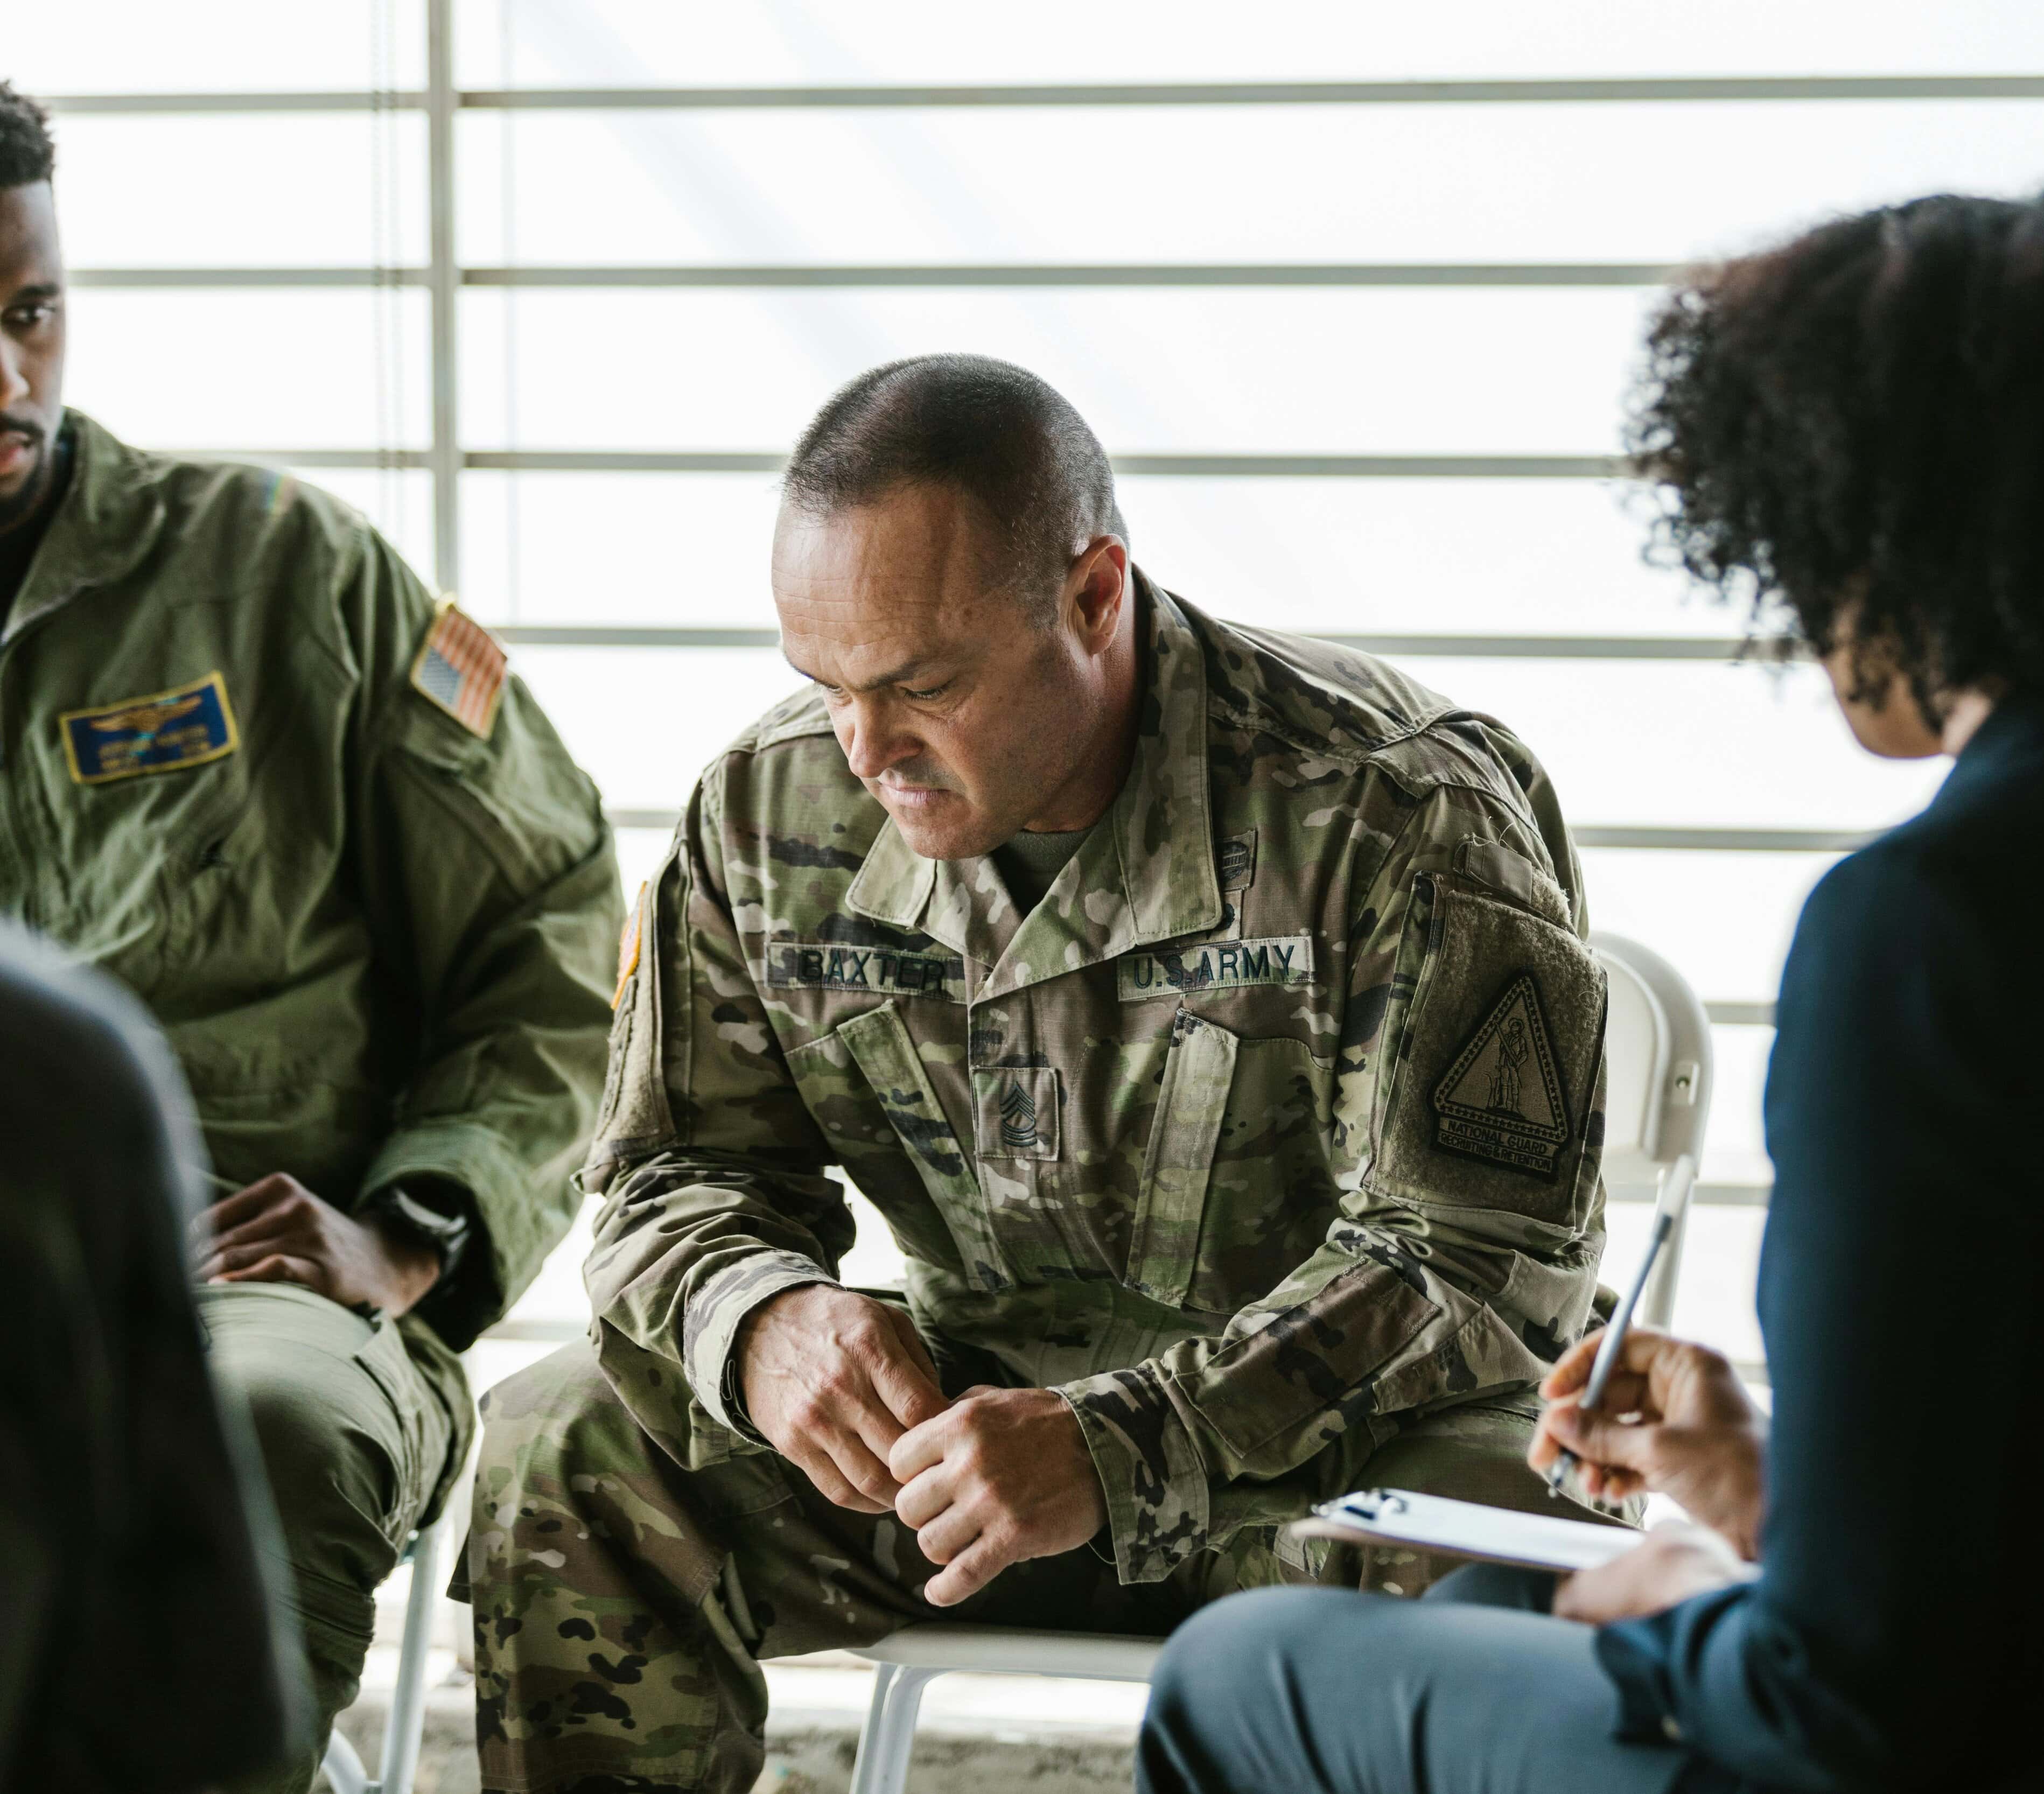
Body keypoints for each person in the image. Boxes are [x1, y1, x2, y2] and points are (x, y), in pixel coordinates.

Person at [1137, 187, 2044, 1794]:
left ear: (1867, 523)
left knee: (1239, 1671)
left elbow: (1852, 1712)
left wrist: (1680, 1610)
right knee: (1493, 1598)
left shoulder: (1934, 923)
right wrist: (1776, 1493)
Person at [459, 353, 1624, 1793]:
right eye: (824, 686)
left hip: (1338, 1457)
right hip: (969, 1447)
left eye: (924, 685)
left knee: (1496, 1549)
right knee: (565, 1436)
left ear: (1091, 596)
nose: (866, 749)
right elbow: (669, 1168)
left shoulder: (1395, 804)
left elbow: (1484, 1261)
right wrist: (758, 1318)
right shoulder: (770, 809)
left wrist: (1127, 1441)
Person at [0, 82, 622, 1791]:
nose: (7, 379)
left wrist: (422, 1225)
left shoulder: (280, 573)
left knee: (265, 1432)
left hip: (244, 1286)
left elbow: (553, 919)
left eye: (32, 311)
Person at [0, 926, 303, 1792]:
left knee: (291, 1424)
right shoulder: (56, 1049)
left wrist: (426, 1222)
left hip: (275, 1247)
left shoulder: (48, 1061)